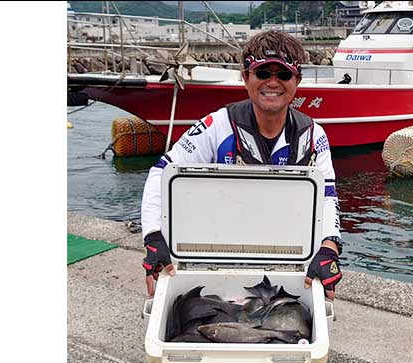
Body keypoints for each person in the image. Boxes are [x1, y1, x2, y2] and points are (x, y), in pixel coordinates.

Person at [140, 30, 343, 300]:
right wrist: (154, 237)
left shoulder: (314, 135)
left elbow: (328, 196)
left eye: (283, 75)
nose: (273, 83)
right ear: (245, 76)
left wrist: (330, 247)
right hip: (219, 254)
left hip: (286, 258)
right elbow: (161, 173)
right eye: (262, 73)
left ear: (297, 80)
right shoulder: (215, 126)